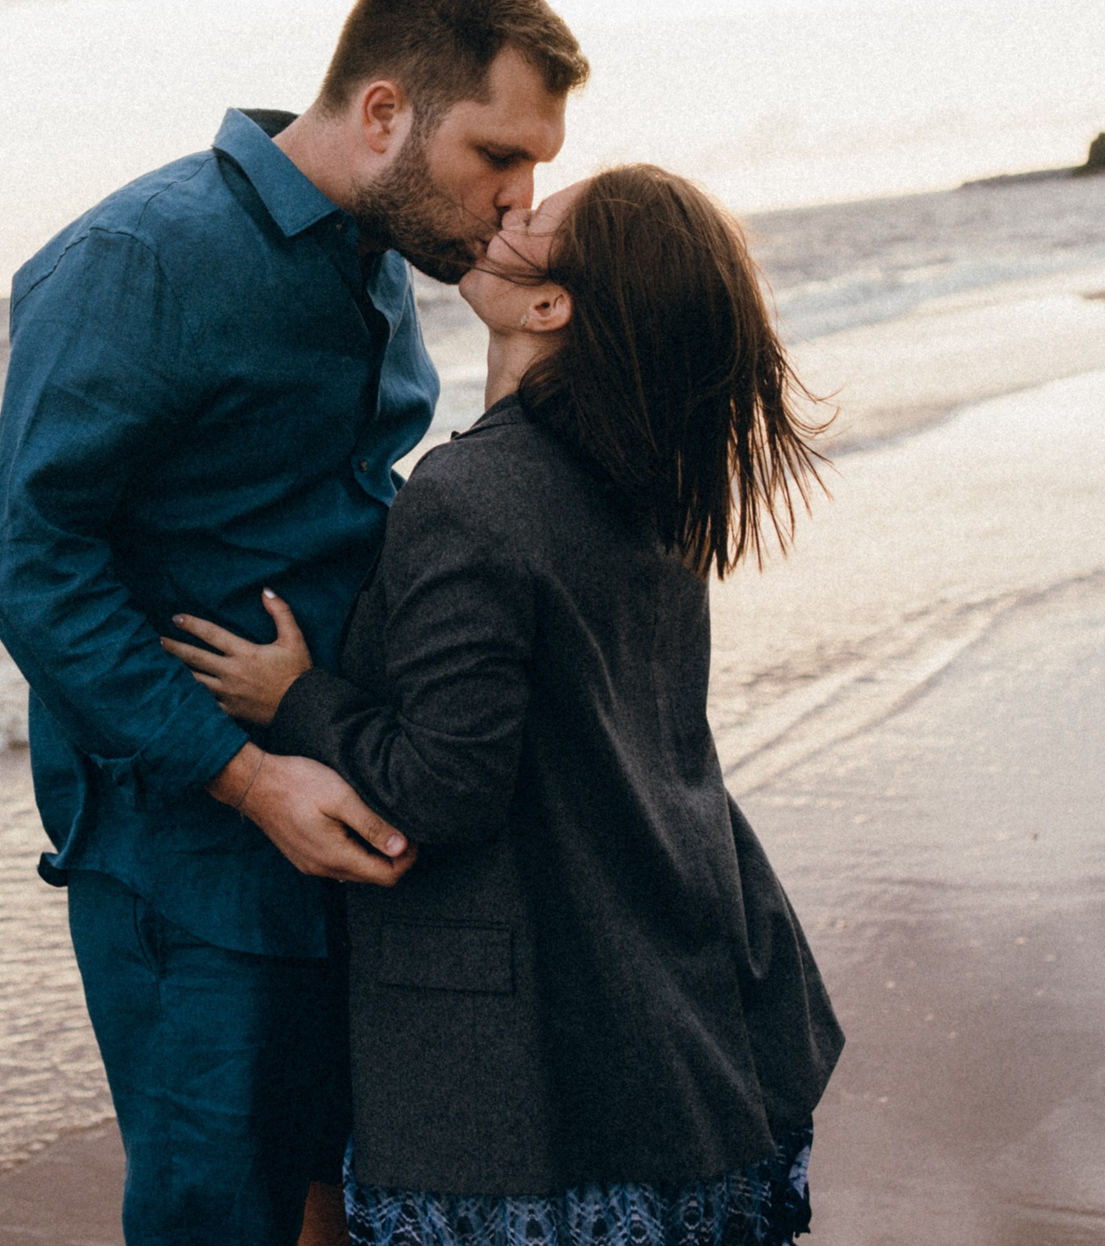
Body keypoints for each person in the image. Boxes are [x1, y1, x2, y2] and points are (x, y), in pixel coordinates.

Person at [0, 0, 589, 1246]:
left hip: (354, 823)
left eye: (534, 162)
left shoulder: (380, 258)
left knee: (352, 1208)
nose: (519, 196)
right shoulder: (137, 258)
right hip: (191, 867)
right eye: (497, 154)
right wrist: (250, 778)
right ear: (382, 113)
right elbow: (29, 561)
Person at [162, 164, 845, 1246]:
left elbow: (444, 787)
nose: (507, 210)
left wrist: (295, 699)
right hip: (690, 998)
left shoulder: (469, 496)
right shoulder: (650, 479)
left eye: (540, 219)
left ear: (547, 304)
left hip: (535, 1060)